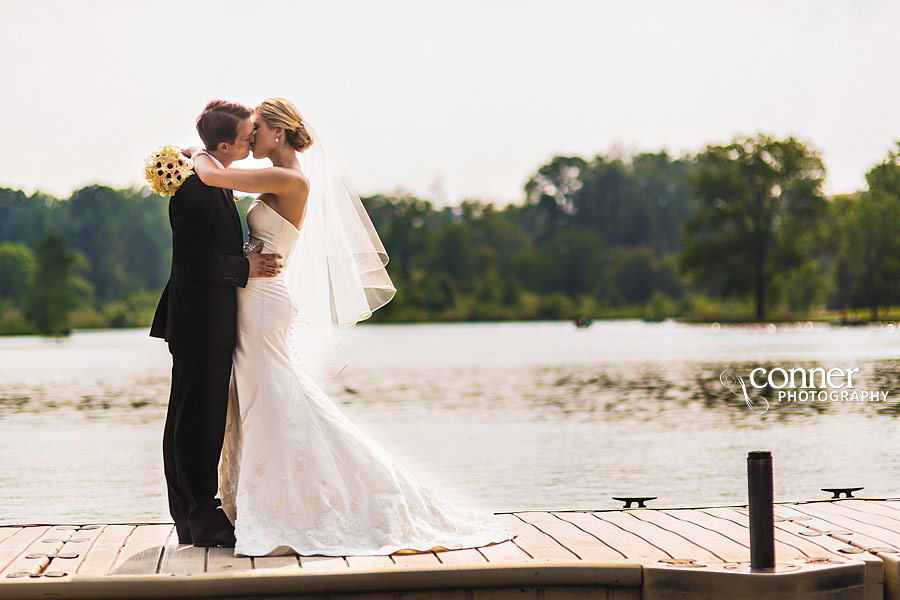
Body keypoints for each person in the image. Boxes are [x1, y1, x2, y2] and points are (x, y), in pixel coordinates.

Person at [183, 97, 516, 556]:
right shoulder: (279, 176)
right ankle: (274, 500)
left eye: (257, 128)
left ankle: (305, 503)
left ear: (278, 133)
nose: (252, 136)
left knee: (273, 398)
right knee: (268, 398)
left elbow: (212, 175)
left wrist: (192, 153)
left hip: (261, 303)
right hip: (256, 296)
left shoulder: (286, 177)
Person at [150, 100, 283, 548]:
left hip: (205, 318)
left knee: (191, 417)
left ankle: (192, 516)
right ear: (224, 144)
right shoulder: (195, 188)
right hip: (199, 319)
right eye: (247, 134)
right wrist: (245, 269)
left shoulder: (214, 179)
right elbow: (191, 258)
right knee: (197, 420)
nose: (252, 138)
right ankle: (201, 517)